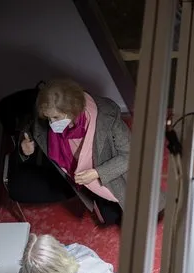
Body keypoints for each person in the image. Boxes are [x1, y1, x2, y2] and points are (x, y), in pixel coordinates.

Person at [19, 79, 165, 224]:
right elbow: (31, 129)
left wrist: (97, 173)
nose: (51, 124)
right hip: (83, 182)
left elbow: (132, 155)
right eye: (48, 118)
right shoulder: (48, 116)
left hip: (115, 176)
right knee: (110, 216)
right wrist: (25, 148)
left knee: (142, 209)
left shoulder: (107, 117)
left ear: (73, 110)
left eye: (56, 118)